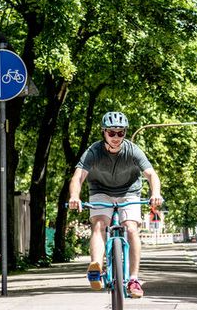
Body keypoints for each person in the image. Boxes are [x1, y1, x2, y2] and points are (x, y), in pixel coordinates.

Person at [68, 111, 163, 298]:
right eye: (112, 133)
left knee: (131, 229)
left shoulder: (133, 150)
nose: (116, 137)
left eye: (121, 133)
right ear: (104, 132)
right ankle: (95, 268)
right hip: (100, 191)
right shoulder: (93, 152)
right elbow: (78, 177)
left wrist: (156, 193)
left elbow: (152, 174)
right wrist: (74, 196)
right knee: (99, 225)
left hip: (129, 192)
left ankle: (134, 279)